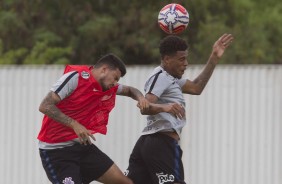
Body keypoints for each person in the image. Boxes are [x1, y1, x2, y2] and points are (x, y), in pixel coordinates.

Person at [126, 33, 234, 184]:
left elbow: (197, 87)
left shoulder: (172, 78)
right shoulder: (161, 76)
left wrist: (214, 57)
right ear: (167, 59)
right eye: (181, 59)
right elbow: (145, 107)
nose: (186, 63)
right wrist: (165, 107)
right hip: (162, 143)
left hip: (150, 143)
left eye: (186, 58)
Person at [37, 53, 149, 184]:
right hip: (56, 152)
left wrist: (141, 98)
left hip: (82, 147)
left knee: (126, 182)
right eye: (115, 78)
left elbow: (130, 90)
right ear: (104, 70)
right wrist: (74, 124)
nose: (115, 84)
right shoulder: (75, 77)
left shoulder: (106, 86)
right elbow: (45, 105)